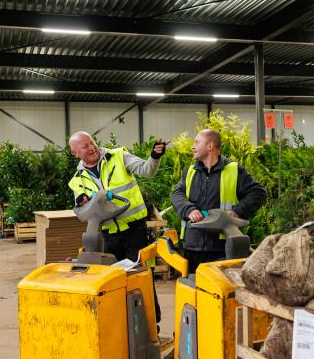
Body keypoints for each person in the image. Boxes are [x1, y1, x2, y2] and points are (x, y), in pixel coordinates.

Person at [68, 131, 166, 321]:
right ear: (75, 153)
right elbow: (81, 207)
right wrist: (82, 201)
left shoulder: (119, 156)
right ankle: (123, 324)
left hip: (134, 231)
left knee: (141, 277)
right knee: (112, 282)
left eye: (92, 142)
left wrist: (154, 157)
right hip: (108, 237)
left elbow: (148, 170)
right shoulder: (77, 180)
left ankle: (152, 324)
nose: (92, 147)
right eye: (85, 146)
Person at [171, 129, 266, 274]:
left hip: (222, 248)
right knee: (193, 293)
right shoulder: (190, 172)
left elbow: (258, 193)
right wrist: (189, 210)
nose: (193, 146)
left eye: (197, 142)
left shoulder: (234, 170)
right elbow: (177, 194)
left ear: (210, 146)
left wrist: (238, 211)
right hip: (193, 247)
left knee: (219, 293)